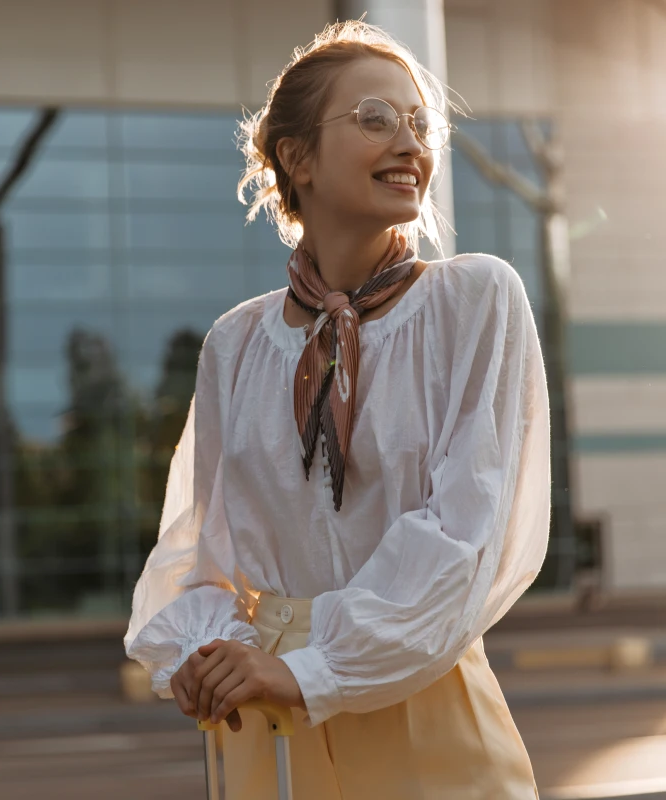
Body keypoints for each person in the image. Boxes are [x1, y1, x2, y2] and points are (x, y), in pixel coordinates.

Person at [125, 20, 550, 799]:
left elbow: (466, 531)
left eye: (420, 124)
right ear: (297, 158)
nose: (410, 143)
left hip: (417, 702)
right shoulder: (236, 344)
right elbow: (201, 553)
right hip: (264, 720)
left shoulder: (476, 299)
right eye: (375, 120)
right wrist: (203, 655)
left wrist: (312, 667)